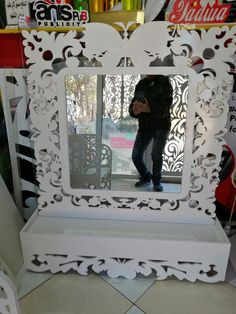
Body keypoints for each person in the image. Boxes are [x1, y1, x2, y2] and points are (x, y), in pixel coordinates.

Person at [129, 75, 173, 191]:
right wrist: (134, 110)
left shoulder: (165, 83)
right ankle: (146, 176)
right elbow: (134, 103)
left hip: (161, 126)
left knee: (156, 155)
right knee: (136, 155)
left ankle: (157, 181)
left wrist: (148, 109)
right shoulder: (141, 84)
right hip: (145, 126)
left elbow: (165, 109)